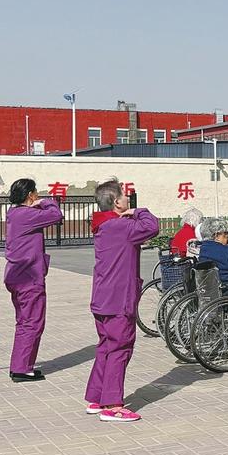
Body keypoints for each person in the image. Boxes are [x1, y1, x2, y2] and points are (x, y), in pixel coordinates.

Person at [86, 178, 159, 422]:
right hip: (119, 299)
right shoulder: (121, 226)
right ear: (117, 202)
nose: (128, 198)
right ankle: (113, 404)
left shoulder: (103, 225)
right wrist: (138, 211)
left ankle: (97, 397)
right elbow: (152, 226)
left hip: (102, 297)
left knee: (106, 347)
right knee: (120, 348)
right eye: (125, 195)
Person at [3, 178, 63, 382]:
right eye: (36, 192)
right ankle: (22, 369)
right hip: (28, 277)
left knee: (24, 322)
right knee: (33, 322)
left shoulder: (14, 213)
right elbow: (56, 214)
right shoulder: (27, 214)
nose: (38, 195)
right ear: (30, 195)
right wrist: (45, 202)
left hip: (16, 275)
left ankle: (20, 366)